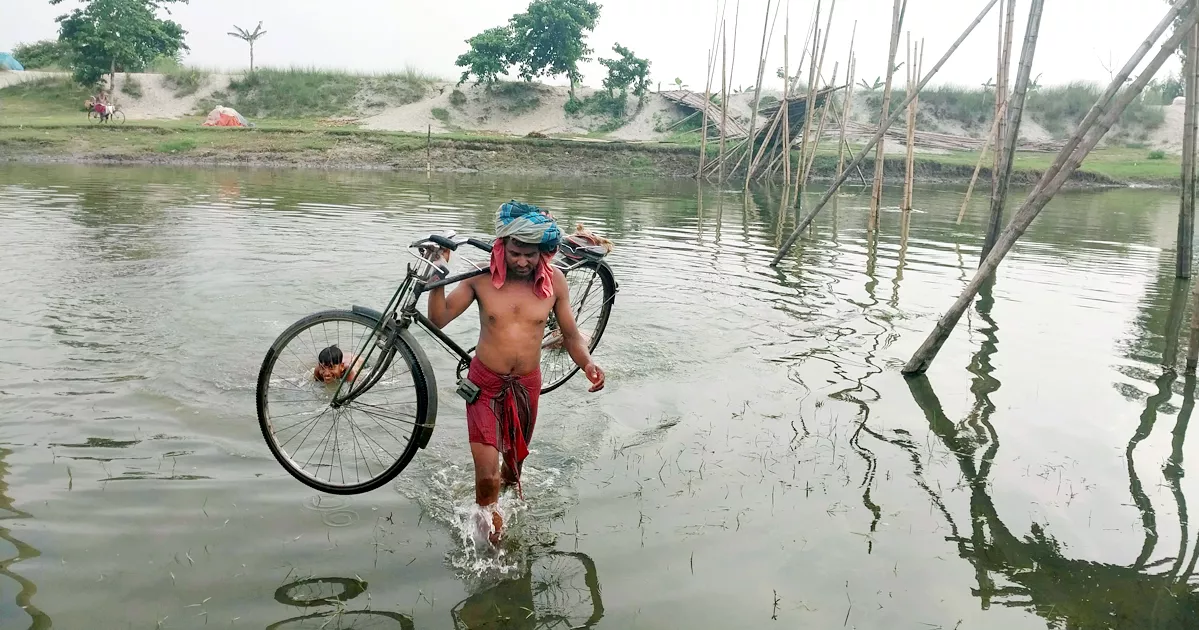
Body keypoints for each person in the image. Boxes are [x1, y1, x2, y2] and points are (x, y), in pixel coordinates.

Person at [426, 201, 605, 546]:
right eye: (515, 252)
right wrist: (438, 278)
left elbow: (569, 335)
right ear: (501, 246)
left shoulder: (555, 282)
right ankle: (488, 552)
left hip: (526, 387)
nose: (522, 261)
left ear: (544, 253)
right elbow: (439, 318)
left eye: (530, 254)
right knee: (488, 478)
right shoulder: (479, 278)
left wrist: (587, 364)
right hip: (484, 384)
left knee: (512, 469)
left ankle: (500, 511)